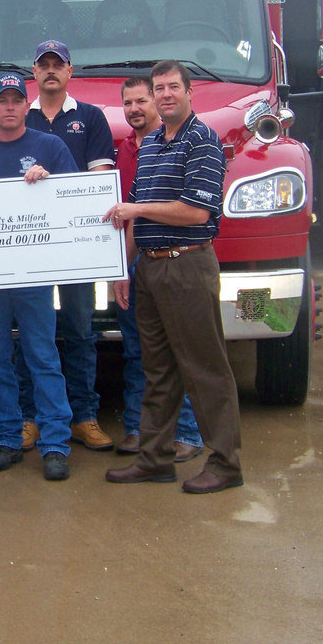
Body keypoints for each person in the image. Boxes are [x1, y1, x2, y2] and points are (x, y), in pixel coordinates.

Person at [104, 60, 243, 493]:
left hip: (187, 265)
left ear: (189, 93)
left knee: (205, 369)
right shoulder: (149, 147)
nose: (165, 95)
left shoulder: (203, 141)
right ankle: (155, 458)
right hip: (149, 267)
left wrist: (138, 210)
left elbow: (196, 211)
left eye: (172, 88)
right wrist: (123, 268)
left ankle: (225, 464)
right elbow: (135, 221)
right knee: (158, 370)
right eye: (159, 88)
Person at [0, 72, 77, 482]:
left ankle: (55, 443)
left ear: (26, 106)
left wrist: (49, 184)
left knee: (42, 355)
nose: (9, 107)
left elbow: (75, 201)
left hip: (35, 274)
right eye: (2, 100)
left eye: (16, 100)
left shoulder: (50, 147)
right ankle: (8, 438)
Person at [18, 39, 116, 453]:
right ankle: (31, 416)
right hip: (33, 249)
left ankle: (84, 417)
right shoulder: (21, 118)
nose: (51, 70)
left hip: (77, 249)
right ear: (34, 73)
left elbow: (99, 182)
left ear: (70, 71)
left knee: (79, 331)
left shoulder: (91, 118)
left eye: (59, 64)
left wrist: (54, 179)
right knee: (30, 334)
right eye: (44, 64)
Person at [114, 75, 204, 461]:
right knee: (139, 351)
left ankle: (187, 433)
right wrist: (121, 265)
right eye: (128, 103)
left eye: (141, 101)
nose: (135, 109)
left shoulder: (180, 145)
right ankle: (139, 428)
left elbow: (194, 211)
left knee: (178, 350)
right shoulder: (124, 150)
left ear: (157, 101)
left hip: (175, 260)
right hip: (135, 259)